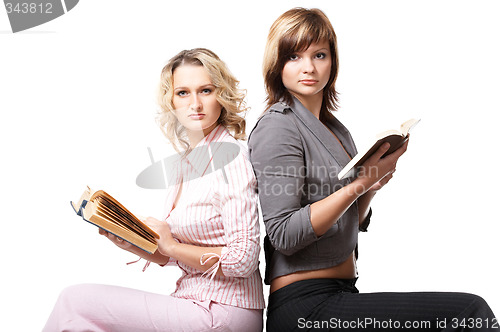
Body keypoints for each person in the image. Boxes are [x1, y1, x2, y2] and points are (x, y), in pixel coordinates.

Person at [248, 8, 497, 331]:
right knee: (468, 312)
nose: (309, 67)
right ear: (277, 63)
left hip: (340, 295)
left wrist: (371, 186)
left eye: (319, 55)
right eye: (294, 56)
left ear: (332, 61)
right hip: (307, 308)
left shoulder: (337, 131)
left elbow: (349, 220)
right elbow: (283, 233)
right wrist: (358, 184)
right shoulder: (277, 127)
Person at [44, 48, 265, 332]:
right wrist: (132, 241)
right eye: (183, 93)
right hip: (191, 300)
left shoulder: (230, 157)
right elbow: (175, 255)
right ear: (171, 100)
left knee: (74, 303)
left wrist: (171, 244)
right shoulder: (185, 164)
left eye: (206, 90)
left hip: (222, 310)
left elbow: (242, 259)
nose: (195, 103)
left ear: (221, 95)